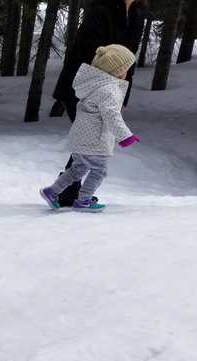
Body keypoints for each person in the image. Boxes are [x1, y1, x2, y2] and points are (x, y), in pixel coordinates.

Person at [51, 0, 145, 206]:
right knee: (90, 143)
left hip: (110, 89)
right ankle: (67, 193)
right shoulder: (101, 10)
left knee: (88, 144)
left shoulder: (137, 14)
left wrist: (122, 96)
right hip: (82, 86)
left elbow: (129, 61)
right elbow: (87, 52)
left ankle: (63, 191)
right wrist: (107, 91)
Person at [40, 45, 139, 213]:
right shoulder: (109, 90)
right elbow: (112, 115)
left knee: (76, 170)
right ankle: (83, 200)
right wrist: (125, 136)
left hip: (81, 138)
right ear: (117, 71)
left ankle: (52, 191)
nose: (127, 73)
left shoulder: (94, 85)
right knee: (99, 171)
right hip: (94, 140)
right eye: (126, 69)